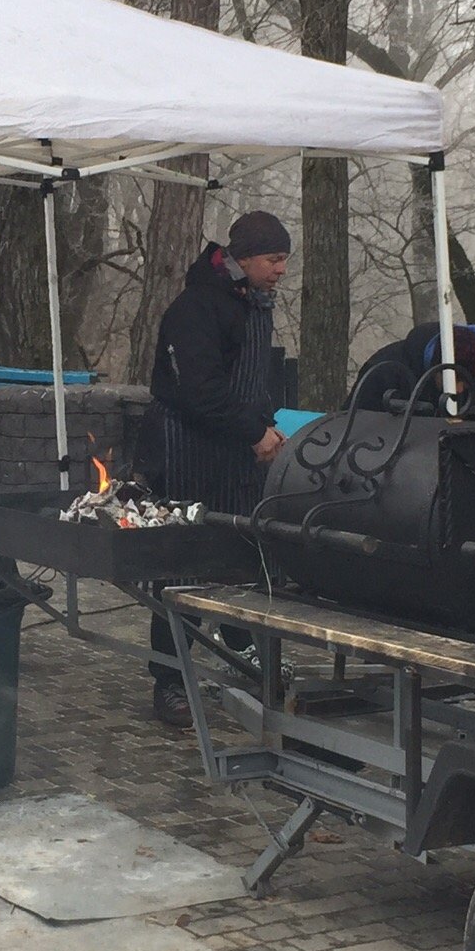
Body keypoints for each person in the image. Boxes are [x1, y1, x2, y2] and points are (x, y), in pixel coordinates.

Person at [139, 211, 291, 728]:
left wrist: (266, 425)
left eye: (284, 260)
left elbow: (250, 382)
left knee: (239, 555)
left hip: (232, 453)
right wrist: (252, 431)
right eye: (274, 260)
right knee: (181, 565)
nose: (281, 271)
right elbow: (199, 390)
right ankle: (170, 678)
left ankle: (242, 652)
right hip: (186, 450)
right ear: (244, 257)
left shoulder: (254, 303)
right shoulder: (196, 308)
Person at [349, 322, 475, 412]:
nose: (459, 390)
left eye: (467, 381)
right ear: (436, 367)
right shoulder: (382, 372)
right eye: (454, 379)